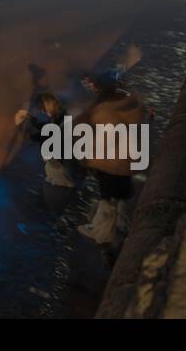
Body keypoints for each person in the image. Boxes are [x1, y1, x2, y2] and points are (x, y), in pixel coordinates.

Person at [73, 70, 145, 259]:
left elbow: (93, 135)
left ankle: (102, 234)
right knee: (119, 196)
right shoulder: (131, 103)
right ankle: (115, 226)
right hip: (126, 160)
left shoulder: (103, 110)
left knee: (107, 199)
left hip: (108, 162)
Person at [10, 92, 76, 188]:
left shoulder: (64, 116)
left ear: (48, 103)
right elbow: (47, 129)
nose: (42, 112)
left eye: (42, 108)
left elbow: (48, 133)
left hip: (66, 165)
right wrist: (31, 120)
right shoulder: (60, 115)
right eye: (40, 109)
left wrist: (24, 125)